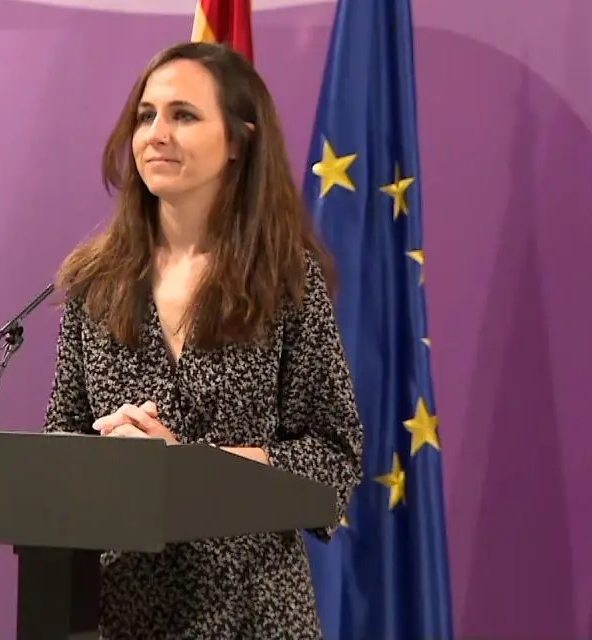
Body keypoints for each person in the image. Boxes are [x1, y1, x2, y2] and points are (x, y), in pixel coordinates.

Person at [43, 41, 364, 639]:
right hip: (120, 614)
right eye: (146, 116)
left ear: (239, 140)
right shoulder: (95, 282)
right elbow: (58, 447)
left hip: (253, 616)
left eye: (183, 115)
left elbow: (332, 460)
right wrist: (107, 453)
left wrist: (186, 468)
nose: (156, 134)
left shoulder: (284, 280)